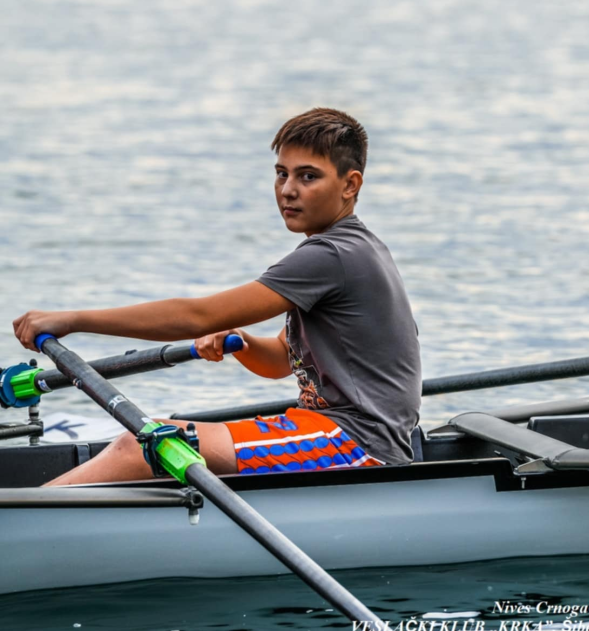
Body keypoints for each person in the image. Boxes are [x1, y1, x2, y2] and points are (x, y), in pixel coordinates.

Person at [13, 108, 422, 484]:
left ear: (350, 185)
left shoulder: (332, 255)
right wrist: (244, 343)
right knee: (154, 445)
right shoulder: (354, 248)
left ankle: (17, 524)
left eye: (308, 176)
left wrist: (73, 320)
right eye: (282, 174)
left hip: (357, 443)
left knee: (141, 445)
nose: (288, 190)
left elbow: (196, 317)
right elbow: (282, 360)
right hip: (333, 431)